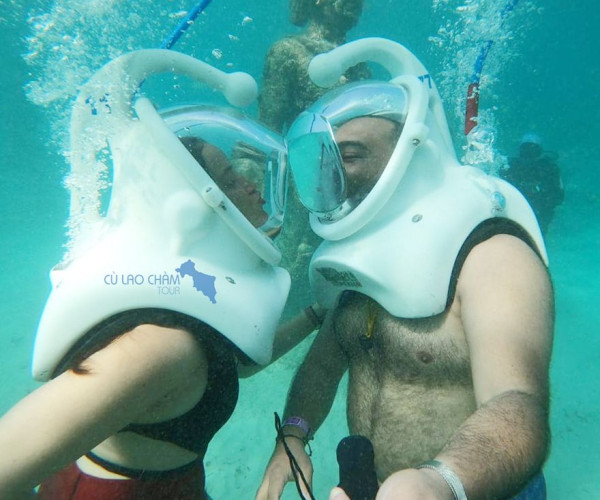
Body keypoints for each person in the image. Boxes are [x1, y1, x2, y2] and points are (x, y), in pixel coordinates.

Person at [0, 50, 325, 499]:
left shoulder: (189, 313)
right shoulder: (159, 344)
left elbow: (234, 365)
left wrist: (314, 315)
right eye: (229, 179)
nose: (250, 185)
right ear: (191, 209)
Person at [256, 38, 553, 500]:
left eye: (350, 156)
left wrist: (440, 482)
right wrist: (292, 434)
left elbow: (519, 405)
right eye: (327, 160)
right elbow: (323, 364)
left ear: (411, 155)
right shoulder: (359, 257)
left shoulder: (490, 253)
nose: (332, 176)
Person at [259, 0, 370, 314]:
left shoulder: (359, 62)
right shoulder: (289, 52)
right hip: (304, 186)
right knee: (295, 266)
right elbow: (265, 131)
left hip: (357, 187)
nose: (356, 4)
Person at [501, 134, 564, 236]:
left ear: (540, 152)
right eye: (525, 150)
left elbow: (558, 196)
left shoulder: (549, 168)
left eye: (533, 150)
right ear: (520, 151)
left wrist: (539, 191)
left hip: (540, 213)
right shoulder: (511, 166)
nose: (529, 154)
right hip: (515, 212)